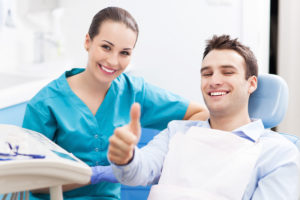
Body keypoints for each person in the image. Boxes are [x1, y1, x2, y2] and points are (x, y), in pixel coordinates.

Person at [22, 6, 209, 200]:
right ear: (88, 42)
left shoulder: (134, 91)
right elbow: (32, 182)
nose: (113, 61)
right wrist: (94, 175)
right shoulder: (45, 105)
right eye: (106, 47)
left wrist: (150, 156)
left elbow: (200, 114)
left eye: (124, 53)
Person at [108, 35, 300, 199]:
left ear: (251, 84)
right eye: (207, 74)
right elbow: (137, 173)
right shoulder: (176, 132)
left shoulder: (279, 154)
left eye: (227, 72)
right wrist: (126, 157)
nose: (214, 81)